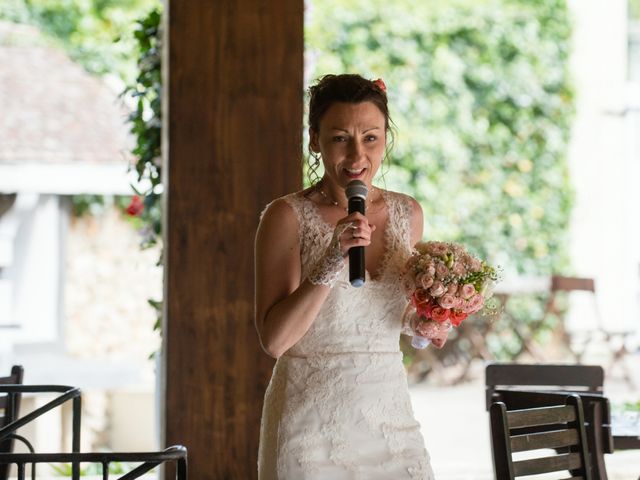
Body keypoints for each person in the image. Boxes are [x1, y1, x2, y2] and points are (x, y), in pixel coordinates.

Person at [255, 74, 444, 479]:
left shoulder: (406, 214)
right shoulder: (286, 217)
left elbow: (387, 317)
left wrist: (427, 323)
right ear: (314, 140)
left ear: (385, 139)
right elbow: (275, 341)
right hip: (310, 426)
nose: (357, 155)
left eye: (371, 138)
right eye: (341, 138)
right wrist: (330, 260)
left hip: (391, 420)